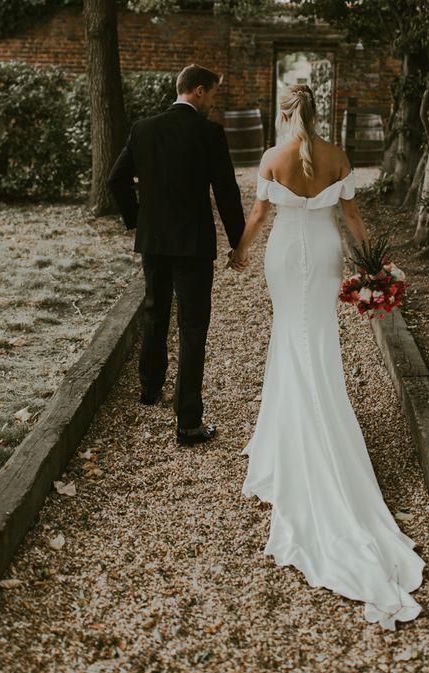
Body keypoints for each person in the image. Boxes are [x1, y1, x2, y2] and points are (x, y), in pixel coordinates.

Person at [228, 85, 425, 629]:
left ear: (285, 113)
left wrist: (239, 252)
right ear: (321, 113)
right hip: (327, 251)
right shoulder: (339, 155)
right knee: (319, 341)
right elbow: (355, 219)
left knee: (290, 334)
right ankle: (316, 420)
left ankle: (288, 432)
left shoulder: (271, 157)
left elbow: (260, 217)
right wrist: (372, 264)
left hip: (286, 254)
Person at [110, 64, 245, 446]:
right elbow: (226, 191)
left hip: (153, 241)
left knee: (155, 311)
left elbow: (116, 179)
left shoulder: (143, 129)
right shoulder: (209, 133)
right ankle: (188, 422)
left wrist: (137, 219)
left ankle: (150, 388)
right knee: (192, 326)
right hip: (193, 246)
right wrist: (239, 241)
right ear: (199, 91)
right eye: (213, 95)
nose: (213, 104)